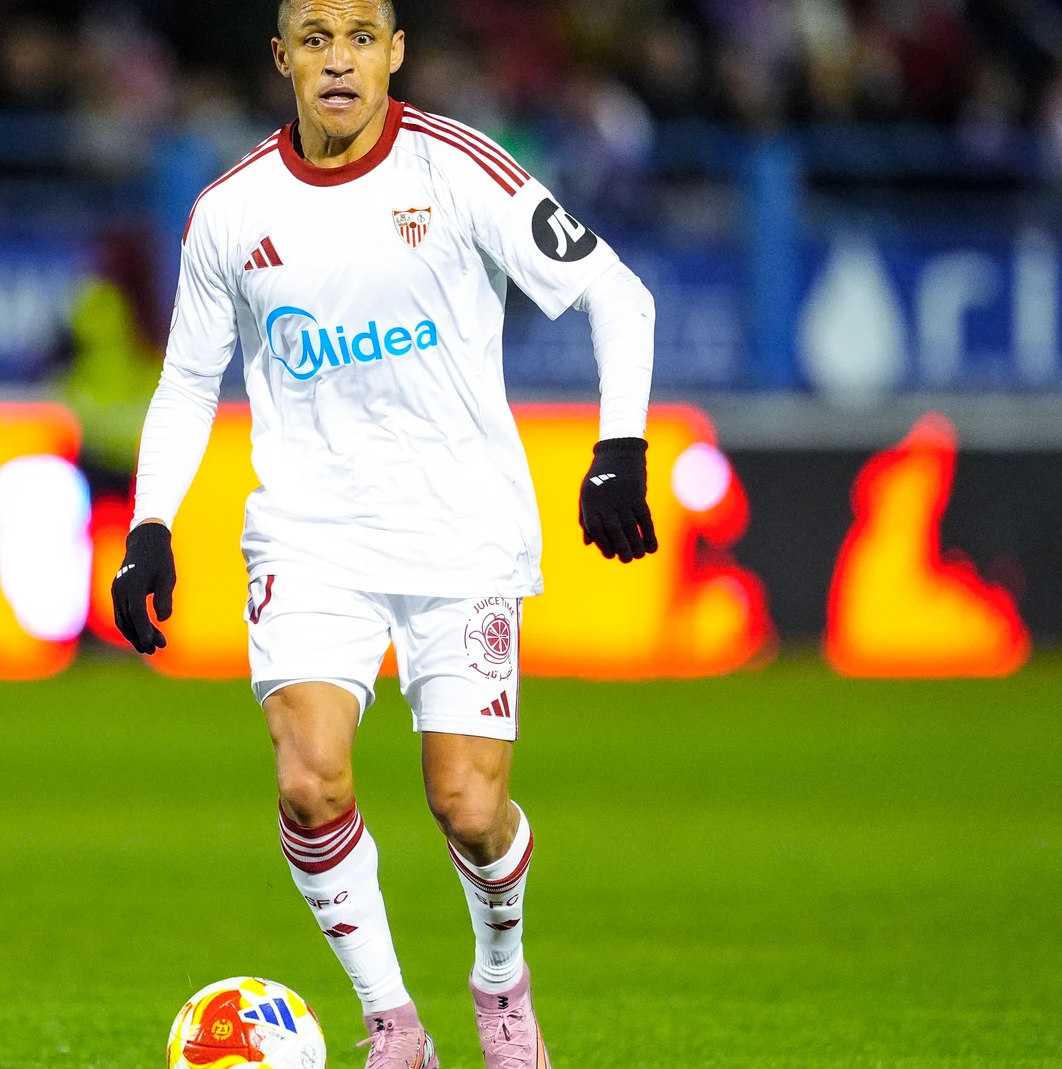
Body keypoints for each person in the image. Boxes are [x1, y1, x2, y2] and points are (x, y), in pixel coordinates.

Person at [110, 2, 657, 1066]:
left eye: (361, 37)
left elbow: (617, 295)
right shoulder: (230, 210)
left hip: (463, 532)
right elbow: (185, 383)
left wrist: (619, 447)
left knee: (468, 806)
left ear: (395, 53)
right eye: (316, 39)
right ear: (282, 57)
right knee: (309, 778)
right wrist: (150, 526)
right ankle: (392, 1022)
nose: (339, 60)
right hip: (310, 536)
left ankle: (501, 983)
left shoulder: (459, 168)